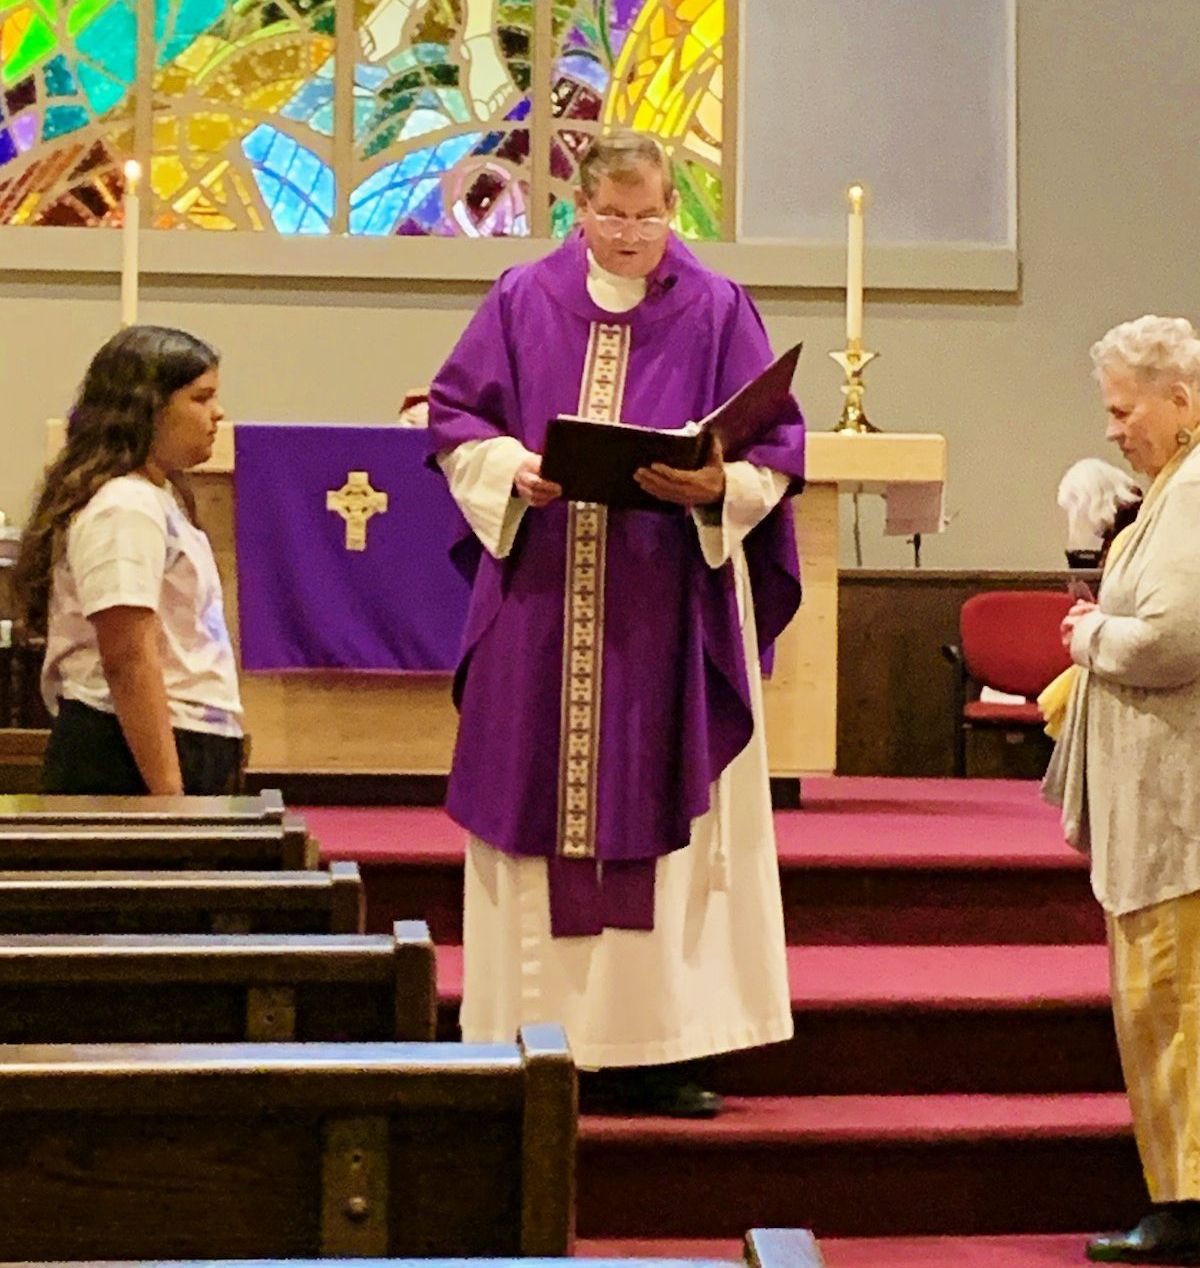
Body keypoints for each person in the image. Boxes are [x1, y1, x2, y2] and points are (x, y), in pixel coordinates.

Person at [427, 130, 804, 1117]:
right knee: (535, 817)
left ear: (671, 209)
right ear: (581, 212)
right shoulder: (521, 298)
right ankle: (533, 1039)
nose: (636, 235)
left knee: (667, 827)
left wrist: (717, 481)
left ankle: (661, 1043)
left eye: (652, 216)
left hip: (668, 609)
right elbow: (457, 418)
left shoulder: (718, 307)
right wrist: (514, 467)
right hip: (544, 609)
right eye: (616, 216)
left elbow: (776, 443)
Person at [1043, 315, 1200, 1263]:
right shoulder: (1172, 491)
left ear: (1181, 401)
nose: (1111, 429)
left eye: (1122, 409)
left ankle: (1187, 1207)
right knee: (1161, 1002)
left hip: (1181, 808)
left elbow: (1177, 636)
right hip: (1164, 797)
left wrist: (1089, 634)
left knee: (1176, 1004)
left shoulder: (1193, 496)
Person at [14, 325, 243, 795]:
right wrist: (169, 799)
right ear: (149, 408)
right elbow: (127, 656)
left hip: (160, 741)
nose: (217, 414)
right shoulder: (124, 506)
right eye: (201, 398)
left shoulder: (155, 497)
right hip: (123, 752)